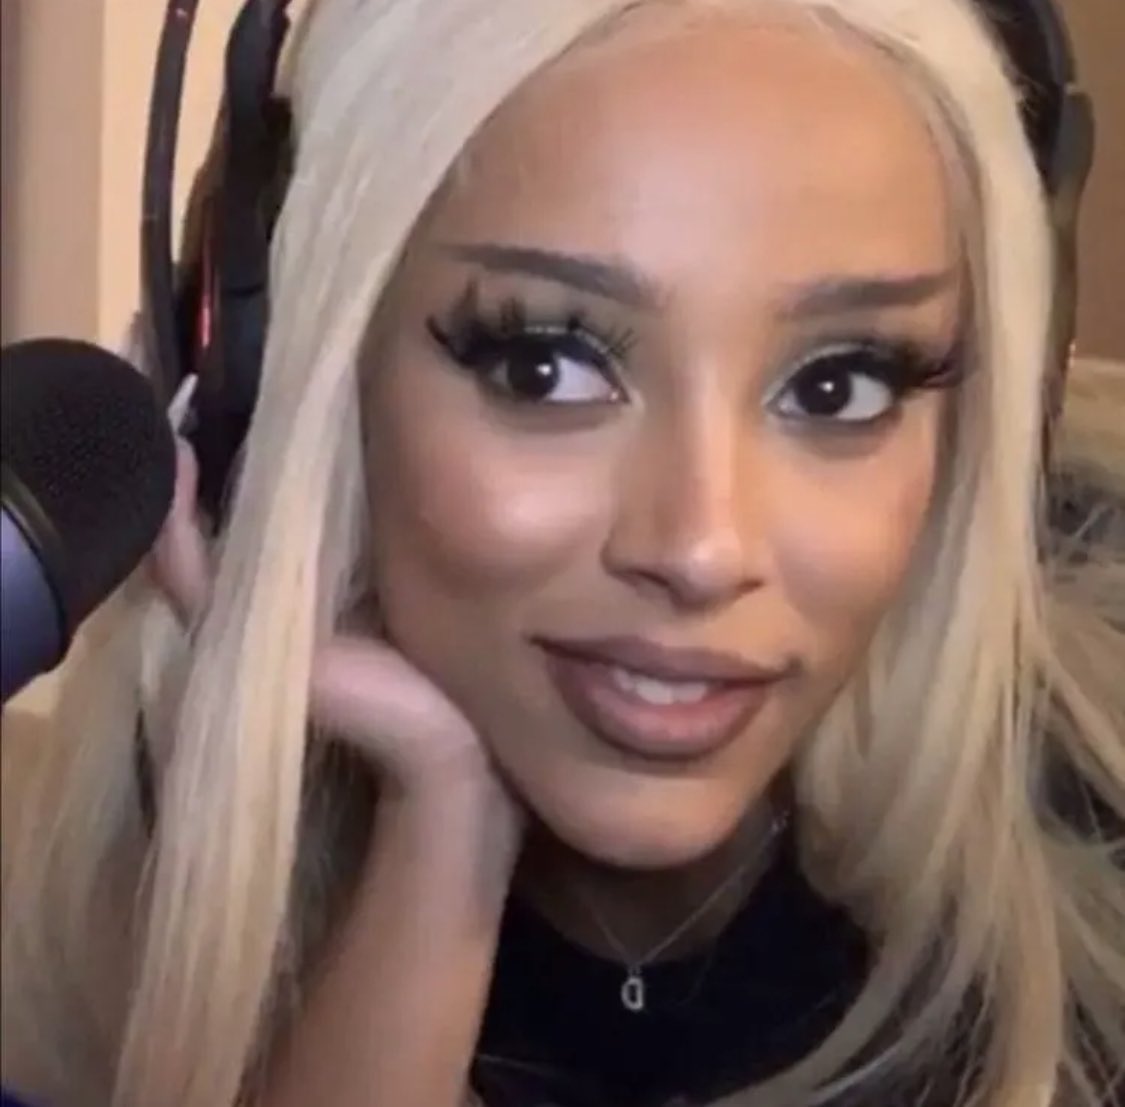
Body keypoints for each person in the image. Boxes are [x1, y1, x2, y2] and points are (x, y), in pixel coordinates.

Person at [2, 1, 1123, 1105]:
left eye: (838, 386)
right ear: (276, 384)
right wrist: (443, 816)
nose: (701, 548)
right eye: (543, 368)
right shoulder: (97, 895)